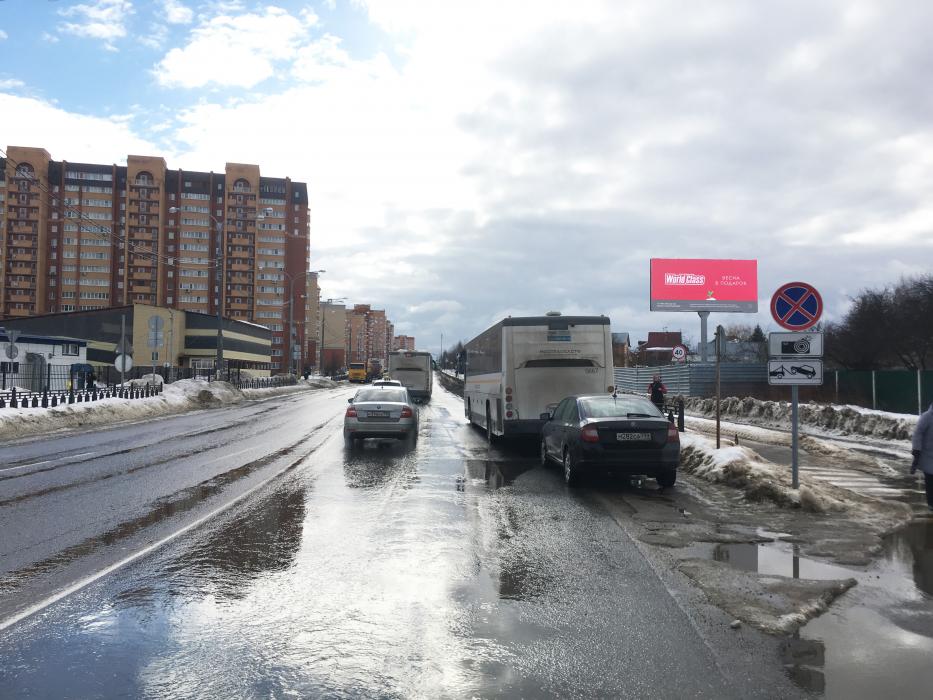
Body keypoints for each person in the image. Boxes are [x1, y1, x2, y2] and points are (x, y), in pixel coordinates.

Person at [912, 402, 933, 512]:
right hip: (929, 455)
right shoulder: (927, 416)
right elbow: (918, 433)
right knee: (930, 480)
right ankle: (931, 504)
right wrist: (916, 449)